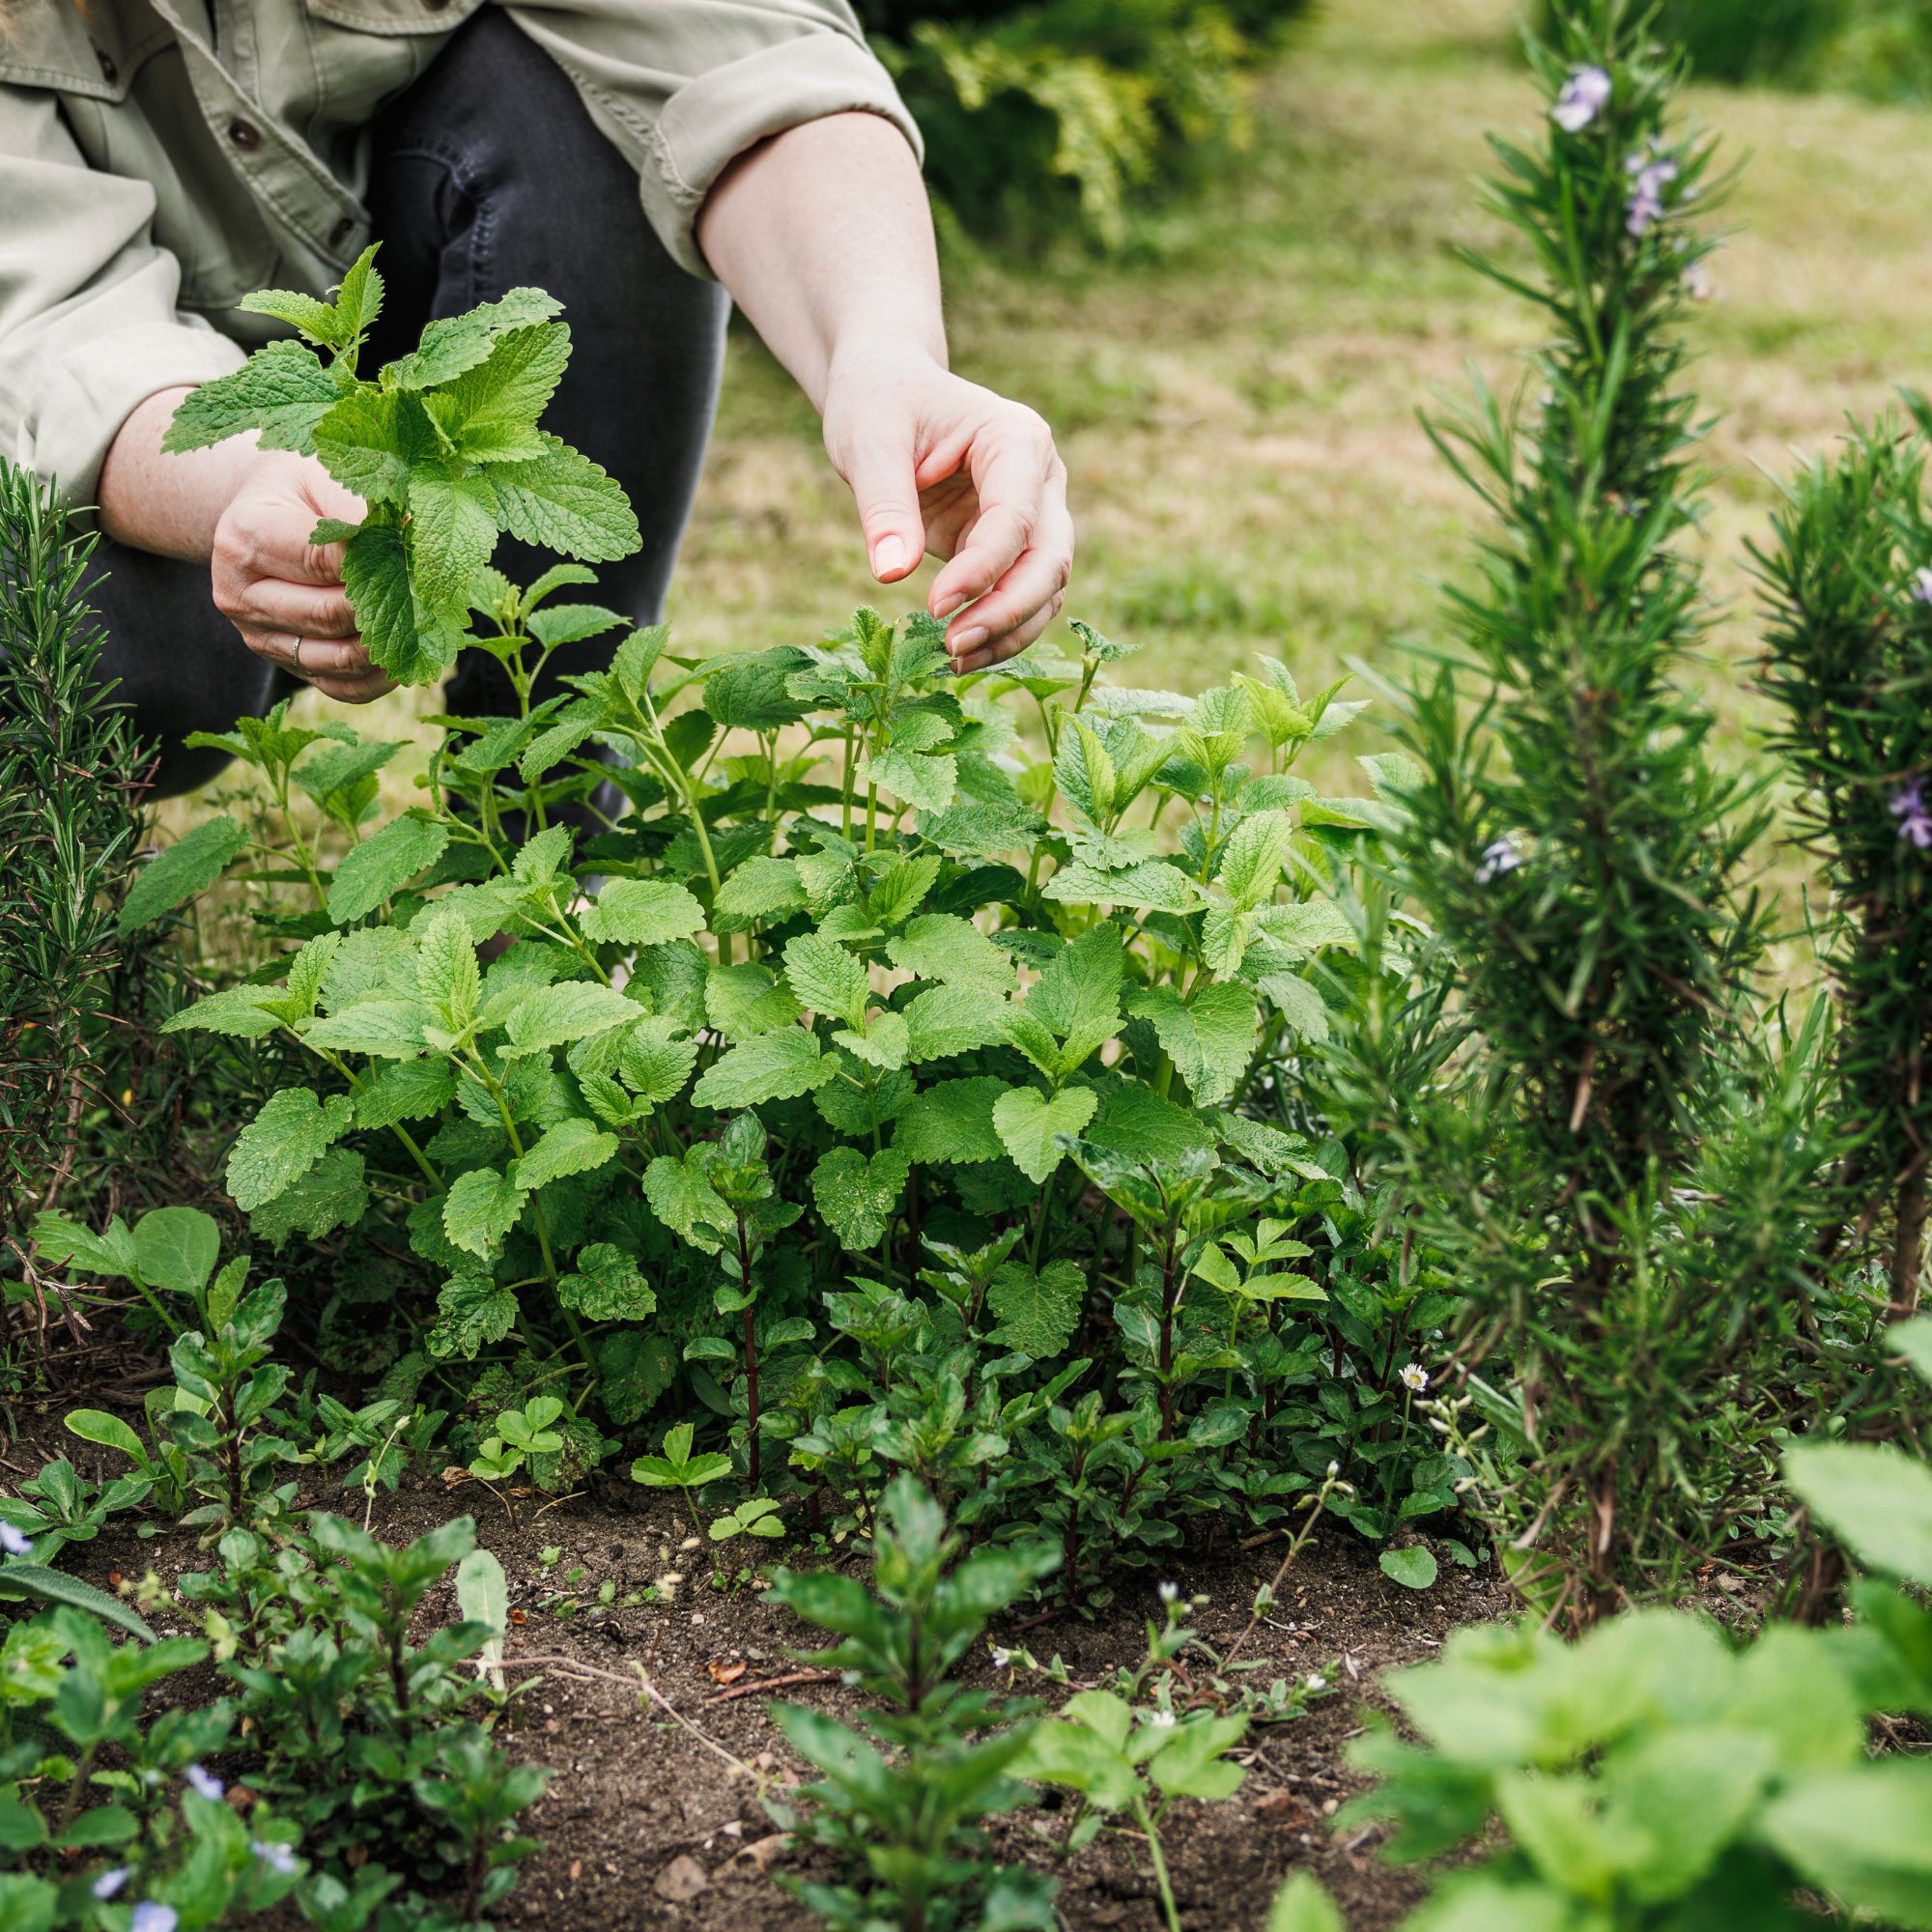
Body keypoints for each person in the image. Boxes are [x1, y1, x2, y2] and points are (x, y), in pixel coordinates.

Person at [0, 0, 1074, 796]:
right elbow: (45, 322)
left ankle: (549, 844)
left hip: (388, 291)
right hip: (115, 426)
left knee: (582, 111)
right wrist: (245, 488)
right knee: (115, 662)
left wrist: (883, 349)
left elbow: (739, 43)